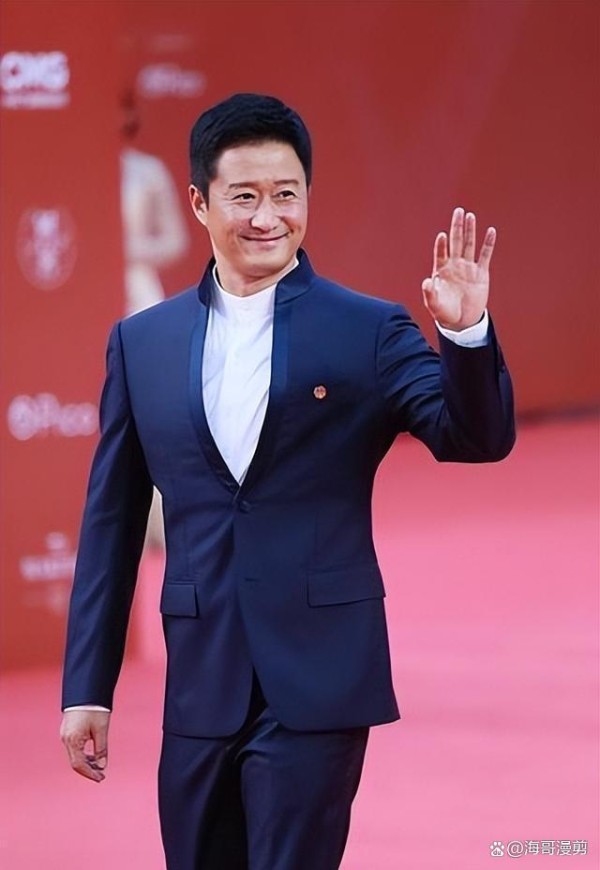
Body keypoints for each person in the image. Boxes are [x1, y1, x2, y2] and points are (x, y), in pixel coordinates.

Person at [60, 93, 515, 870]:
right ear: (200, 203)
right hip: (200, 684)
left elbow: (474, 438)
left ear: (307, 196)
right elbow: (112, 524)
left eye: (286, 194)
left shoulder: (367, 329)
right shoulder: (142, 343)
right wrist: (87, 688)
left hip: (319, 679)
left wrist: (465, 334)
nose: (268, 217)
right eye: (244, 197)